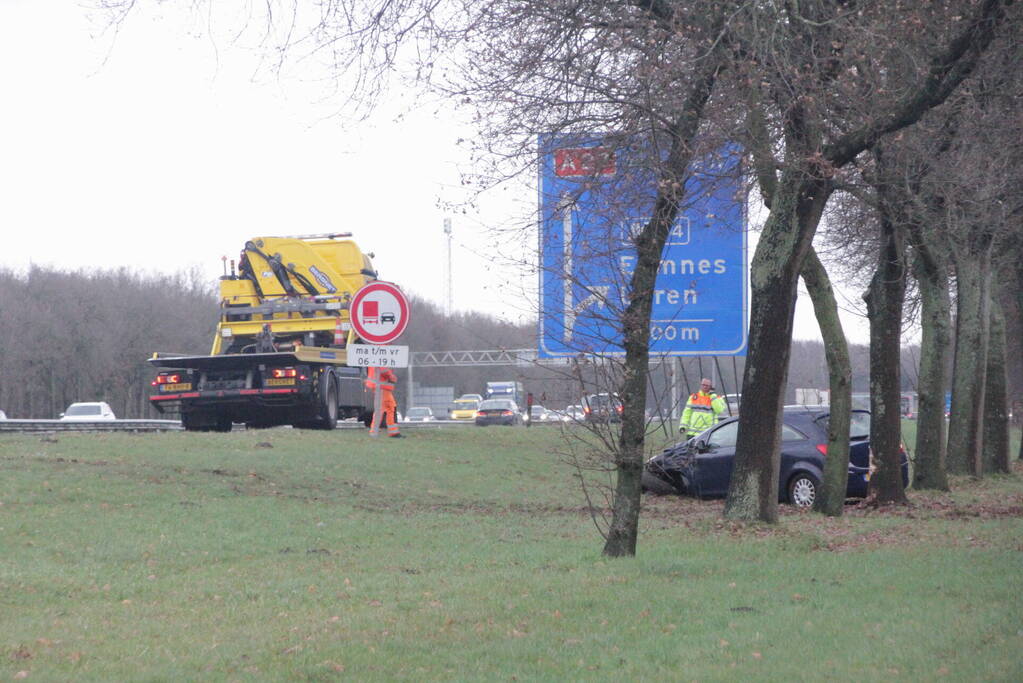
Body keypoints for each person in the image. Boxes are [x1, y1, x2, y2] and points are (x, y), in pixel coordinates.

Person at [365, 366, 403, 438]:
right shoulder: (383, 357)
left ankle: (391, 432)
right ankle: (377, 431)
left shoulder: (375, 357)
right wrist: (392, 377)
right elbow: (383, 369)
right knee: (384, 408)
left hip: (379, 386)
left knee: (387, 408)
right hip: (382, 386)